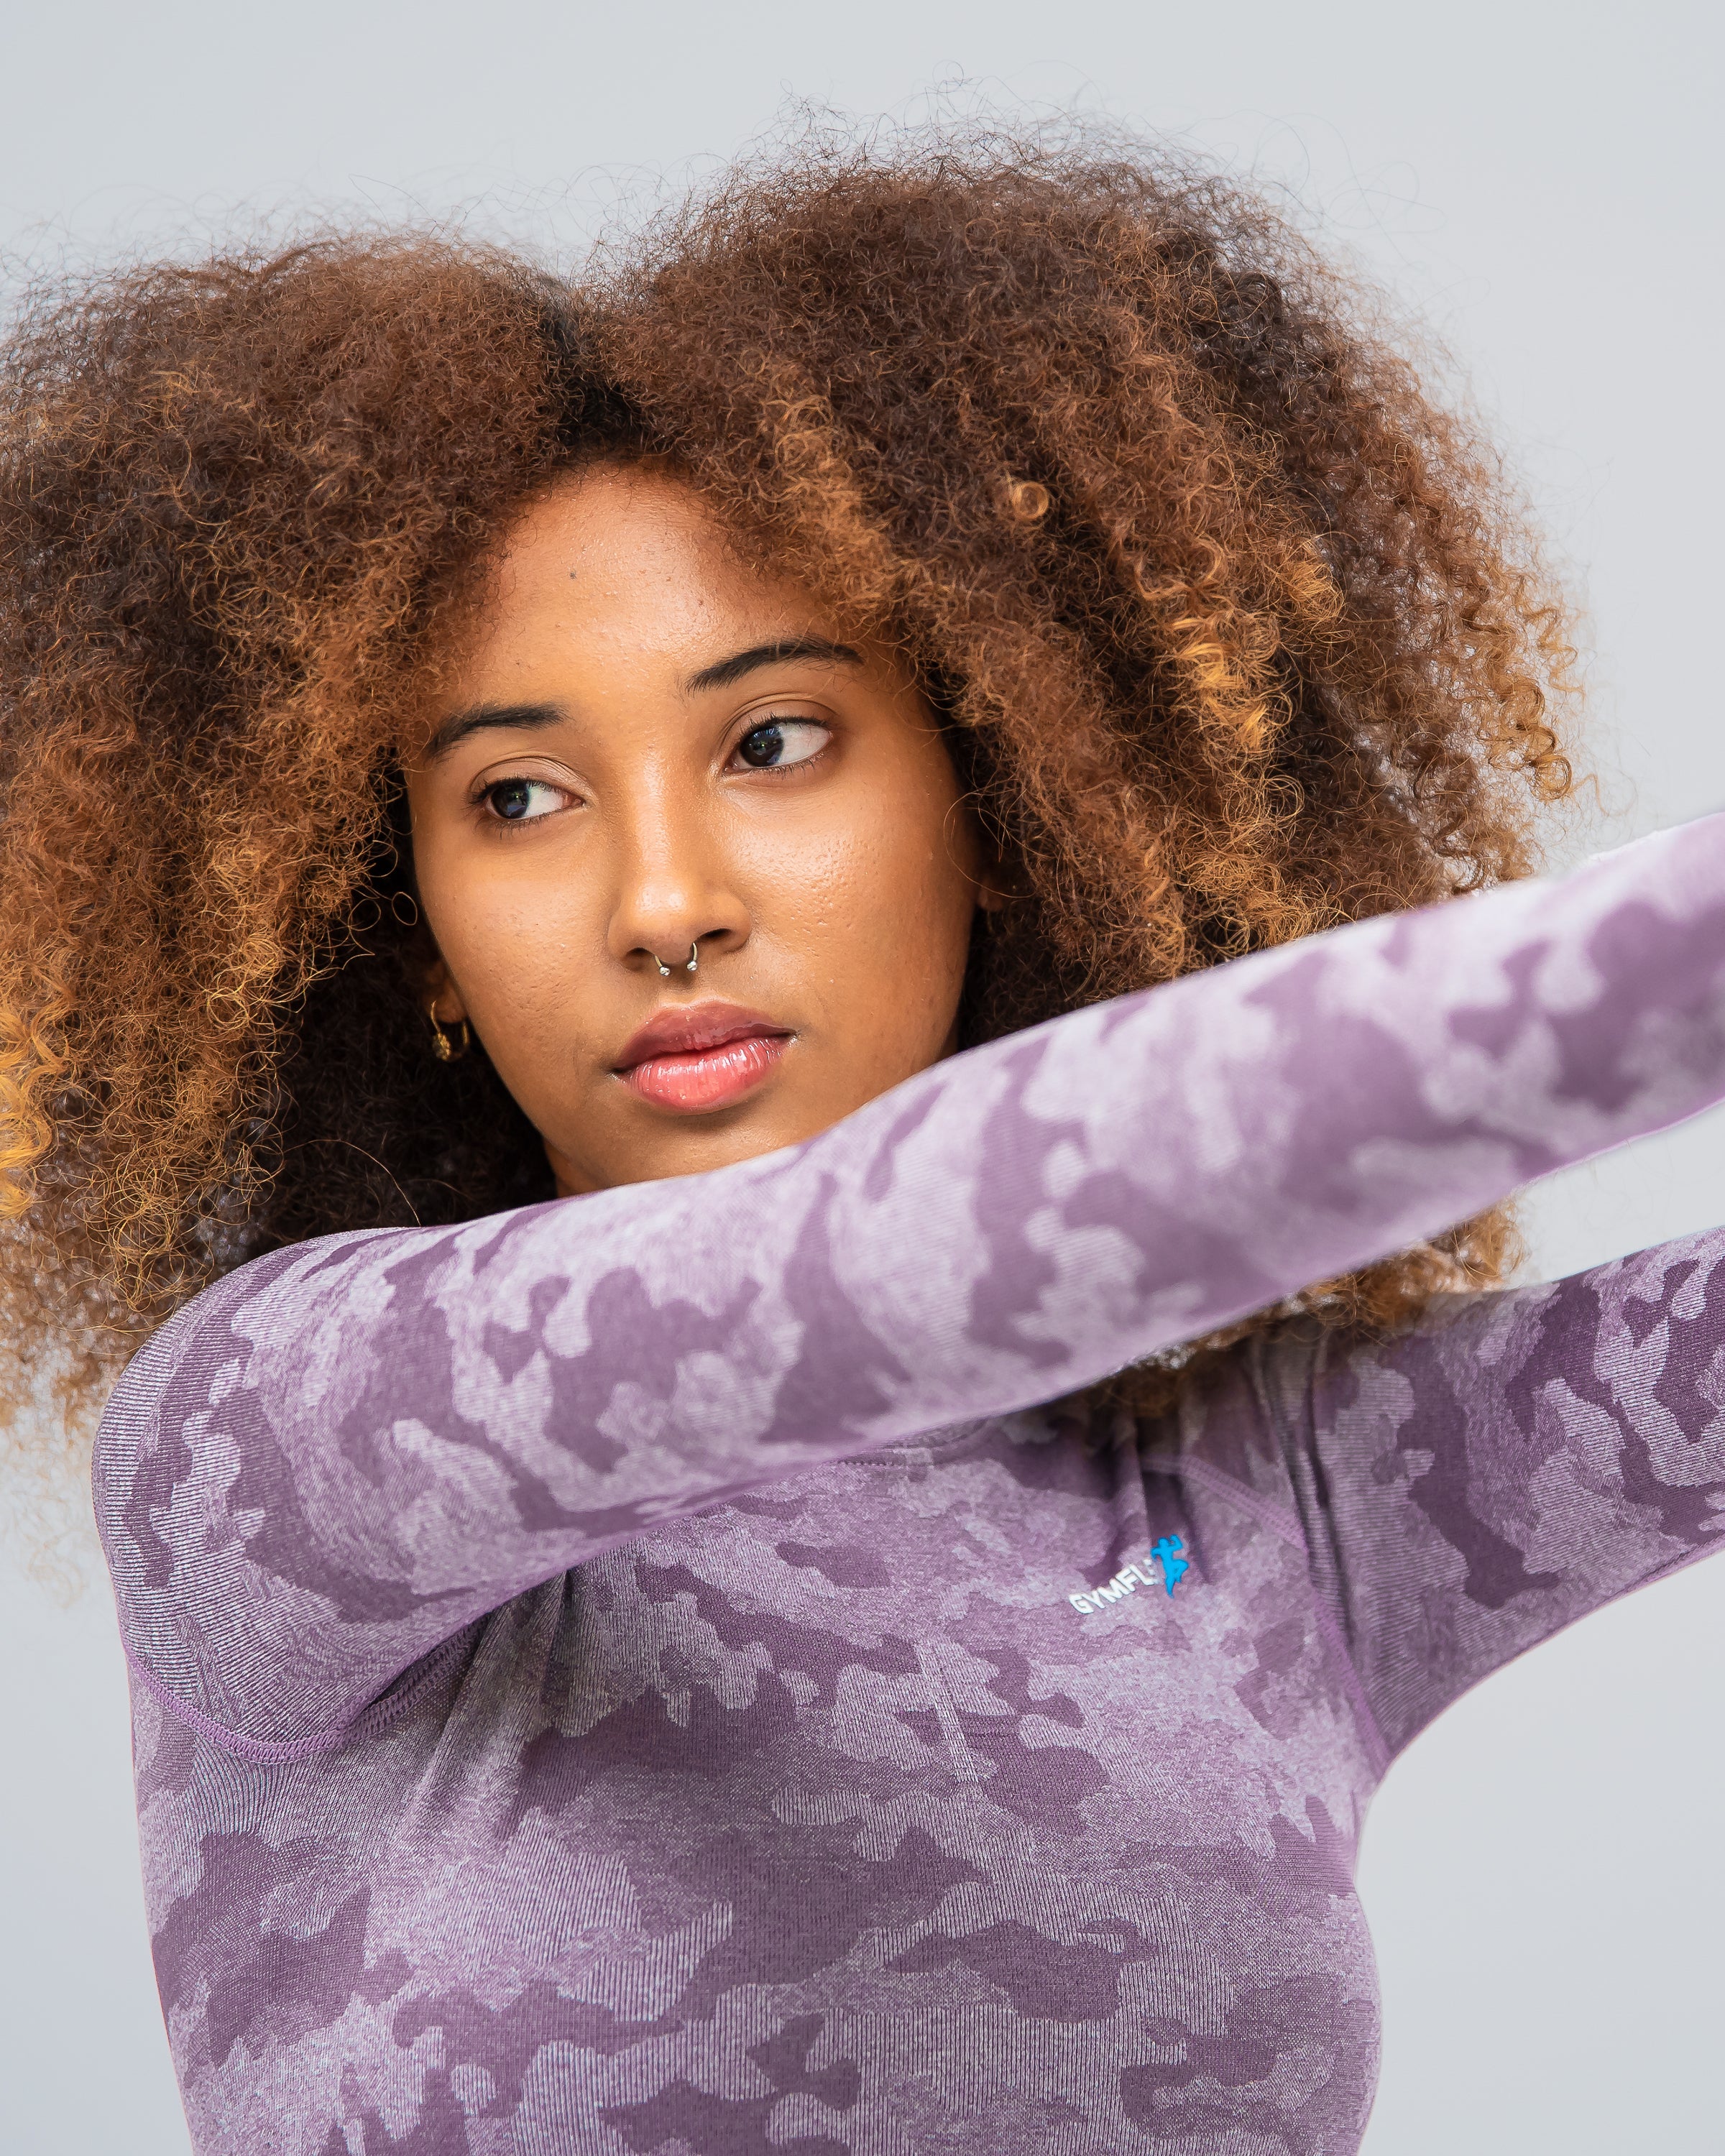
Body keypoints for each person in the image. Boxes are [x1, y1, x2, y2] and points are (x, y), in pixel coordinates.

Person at [3, 132, 1721, 2155]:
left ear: (995, 805)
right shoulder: (282, 1443)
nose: (665, 900)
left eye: (776, 742)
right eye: (521, 798)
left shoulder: (1290, 1510)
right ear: (417, 937)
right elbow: (870, 1267)